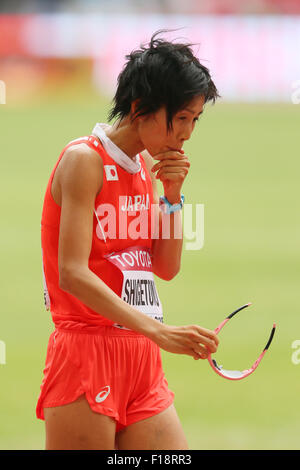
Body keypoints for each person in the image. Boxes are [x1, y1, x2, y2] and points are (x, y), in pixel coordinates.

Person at [36, 30, 220, 450]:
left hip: (140, 359)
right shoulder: (85, 161)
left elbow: (166, 268)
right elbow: (72, 273)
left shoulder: (143, 168)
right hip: (86, 352)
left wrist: (173, 199)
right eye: (182, 118)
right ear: (141, 110)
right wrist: (160, 333)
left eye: (195, 120)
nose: (188, 133)